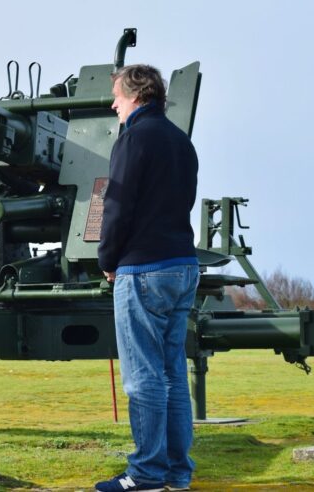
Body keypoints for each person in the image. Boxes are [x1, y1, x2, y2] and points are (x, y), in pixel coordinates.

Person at [95, 65, 200, 492]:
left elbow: (117, 206)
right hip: (183, 266)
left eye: (117, 95)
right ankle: (177, 472)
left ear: (136, 94)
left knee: (143, 376)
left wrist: (108, 257)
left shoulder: (132, 139)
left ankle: (146, 474)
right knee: (173, 373)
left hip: (143, 270)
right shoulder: (181, 141)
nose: (113, 103)